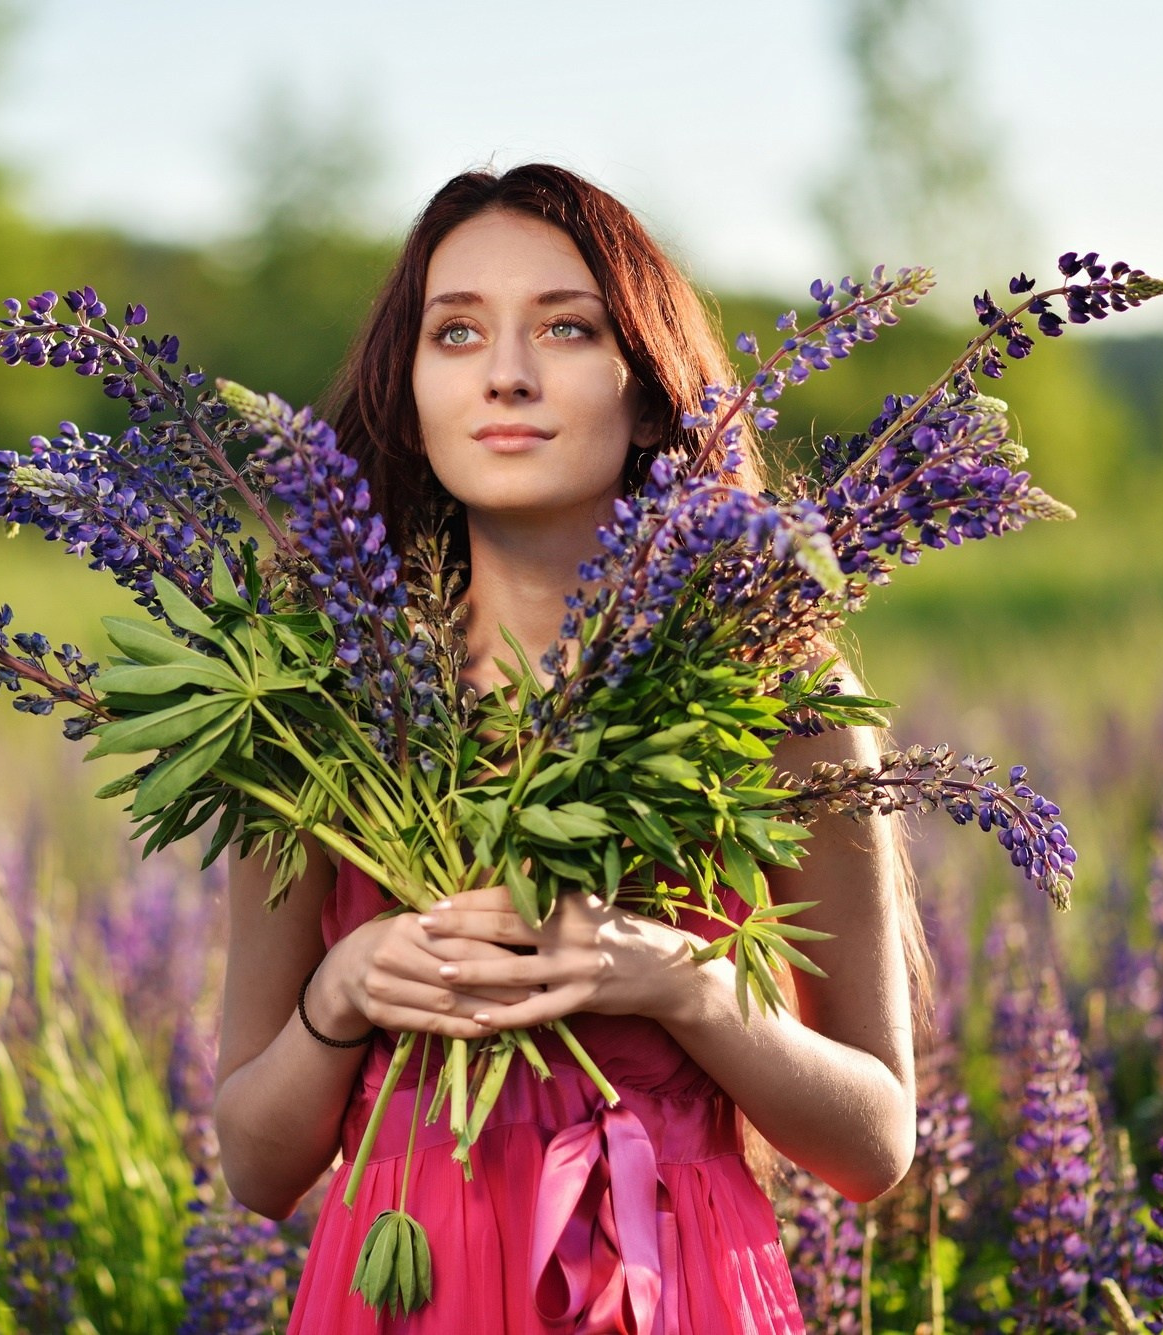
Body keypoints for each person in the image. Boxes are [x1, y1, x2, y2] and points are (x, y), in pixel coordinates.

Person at [212, 162, 931, 1333]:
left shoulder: (777, 695)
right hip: (405, 1289)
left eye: (563, 326)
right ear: (410, 390)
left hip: (677, 1285)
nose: (505, 372)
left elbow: (872, 1144)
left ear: (652, 395)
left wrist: (681, 984)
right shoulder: (309, 709)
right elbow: (253, 1165)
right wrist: (341, 997)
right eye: (455, 333)